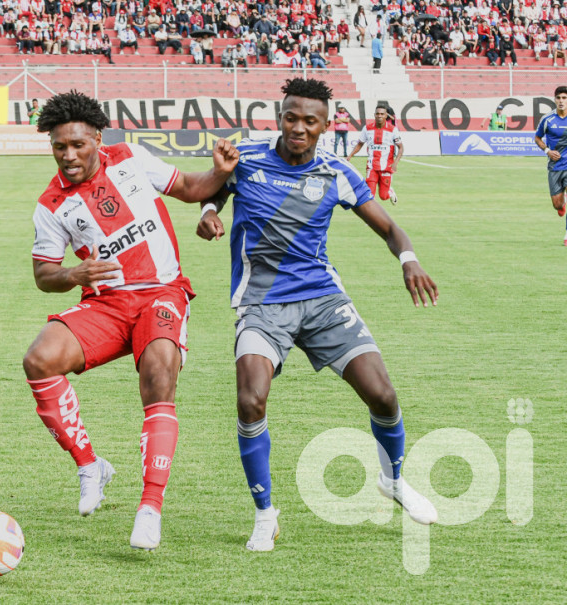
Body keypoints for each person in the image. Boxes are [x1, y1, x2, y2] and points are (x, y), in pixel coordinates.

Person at [196, 78, 438, 553]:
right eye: (291, 117)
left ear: (327, 126)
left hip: (323, 299)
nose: (299, 128)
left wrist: (409, 260)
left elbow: (389, 228)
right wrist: (207, 211)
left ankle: (393, 480)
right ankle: (265, 515)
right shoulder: (245, 157)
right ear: (279, 115)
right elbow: (214, 190)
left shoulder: (337, 171)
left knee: (383, 395)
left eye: (311, 121)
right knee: (251, 401)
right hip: (262, 304)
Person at [23, 91, 239, 551]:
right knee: (39, 360)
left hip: (161, 292)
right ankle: (90, 466)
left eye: (78, 144)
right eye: (60, 147)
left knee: (159, 375)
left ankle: (150, 507)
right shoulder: (51, 203)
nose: (69, 155)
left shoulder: (131, 159)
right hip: (106, 304)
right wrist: (72, 274)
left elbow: (192, 189)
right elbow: (44, 275)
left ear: (97, 138)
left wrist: (219, 173)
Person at [347, 103, 403, 205]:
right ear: (374, 115)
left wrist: (396, 162)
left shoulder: (392, 130)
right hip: (371, 166)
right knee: (369, 195)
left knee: (383, 196)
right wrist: (350, 156)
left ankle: (390, 191)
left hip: (386, 167)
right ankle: (368, 220)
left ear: (386, 115)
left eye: (382, 114)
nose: (379, 116)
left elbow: (401, 147)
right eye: (377, 114)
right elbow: (360, 144)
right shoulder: (367, 128)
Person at [534, 86, 567, 243]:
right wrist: (547, 150)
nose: (561, 101)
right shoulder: (547, 119)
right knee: (557, 204)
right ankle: (562, 205)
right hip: (554, 167)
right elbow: (537, 138)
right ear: (554, 99)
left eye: (564, 98)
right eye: (559, 98)